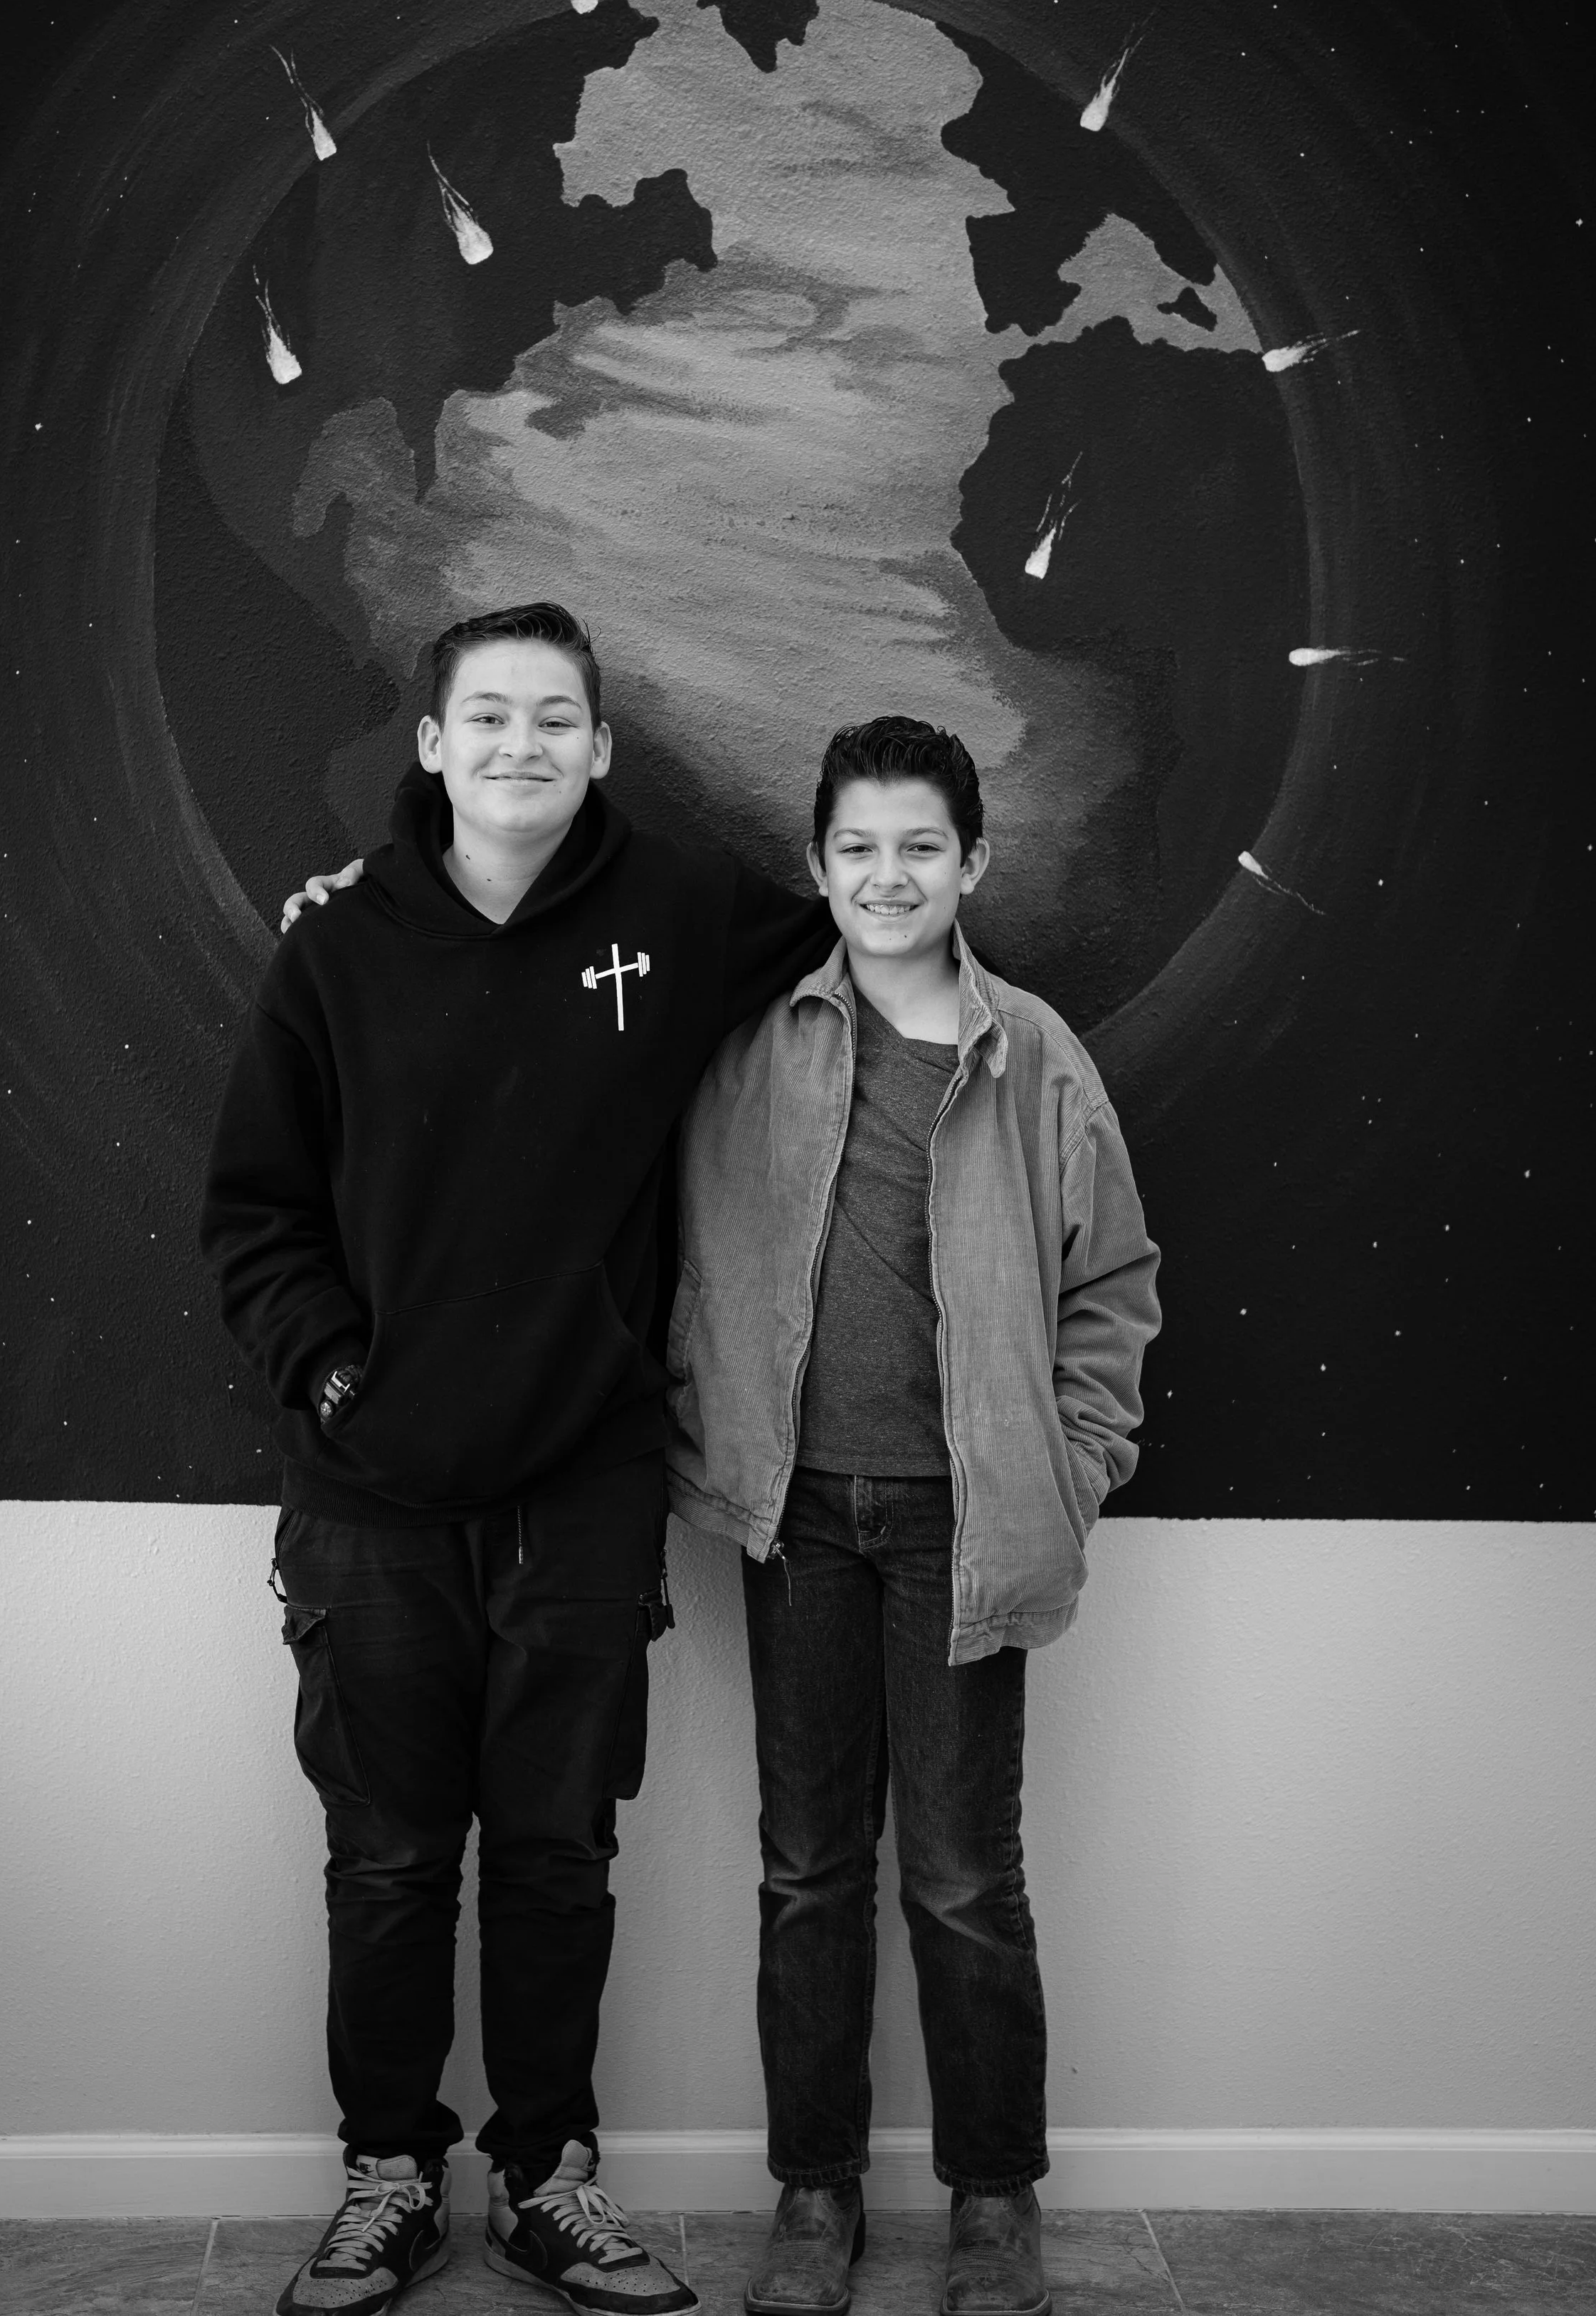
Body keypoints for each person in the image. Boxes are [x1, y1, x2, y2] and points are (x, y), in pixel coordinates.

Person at [201, 601, 830, 2316]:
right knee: (391, 1861)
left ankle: (551, 2182)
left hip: (584, 1475)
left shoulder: (682, 914)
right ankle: (387, 2182)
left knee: (556, 1857)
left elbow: (860, 921)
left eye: (555, 721)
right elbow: (252, 1213)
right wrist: (333, 1377)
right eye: (486, 719)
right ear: (428, 745)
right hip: (368, 1494)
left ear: (602, 747)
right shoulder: (332, 949)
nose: (519, 749)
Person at [666, 717, 1161, 2316]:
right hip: (795, 1516)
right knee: (808, 1866)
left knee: (961, 1872)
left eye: (919, 847)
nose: (888, 876)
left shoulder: (1036, 1060)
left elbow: (1112, 1293)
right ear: (818, 866)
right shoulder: (752, 1043)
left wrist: (1066, 1467)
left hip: (966, 1524)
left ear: (971, 864)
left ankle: (991, 2203)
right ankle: (812, 2200)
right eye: (858, 848)